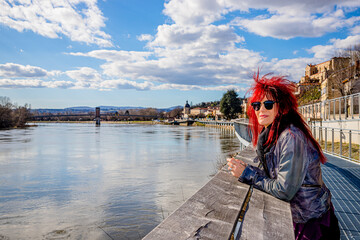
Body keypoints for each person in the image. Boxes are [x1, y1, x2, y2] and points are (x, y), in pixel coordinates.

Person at [227, 73, 340, 240]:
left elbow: (284, 190)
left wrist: (247, 174)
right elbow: (276, 176)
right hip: (302, 218)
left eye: (268, 104)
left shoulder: (291, 138)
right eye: (257, 105)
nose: (261, 110)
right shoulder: (272, 134)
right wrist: (247, 168)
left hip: (313, 225)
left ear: (283, 108)